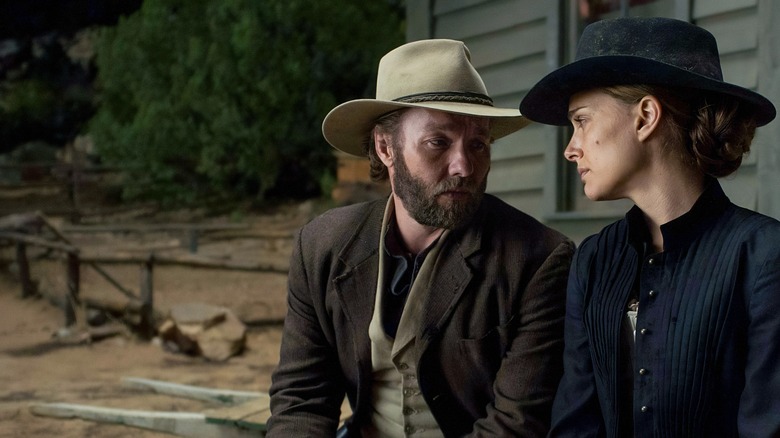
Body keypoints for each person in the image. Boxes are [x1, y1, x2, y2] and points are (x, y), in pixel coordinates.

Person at [266, 39, 575, 437]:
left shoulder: (537, 259)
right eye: (438, 142)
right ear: (385, 147)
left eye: (479, 144)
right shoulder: (323, 246)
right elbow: (300, 400)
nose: (464, 166)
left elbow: (515, 427)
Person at [519, 17, 780, 437]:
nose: (571, 148)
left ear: (645, 117)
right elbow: (576, 422)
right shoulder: (593, 259)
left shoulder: (764, 256)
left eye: (581, 120)